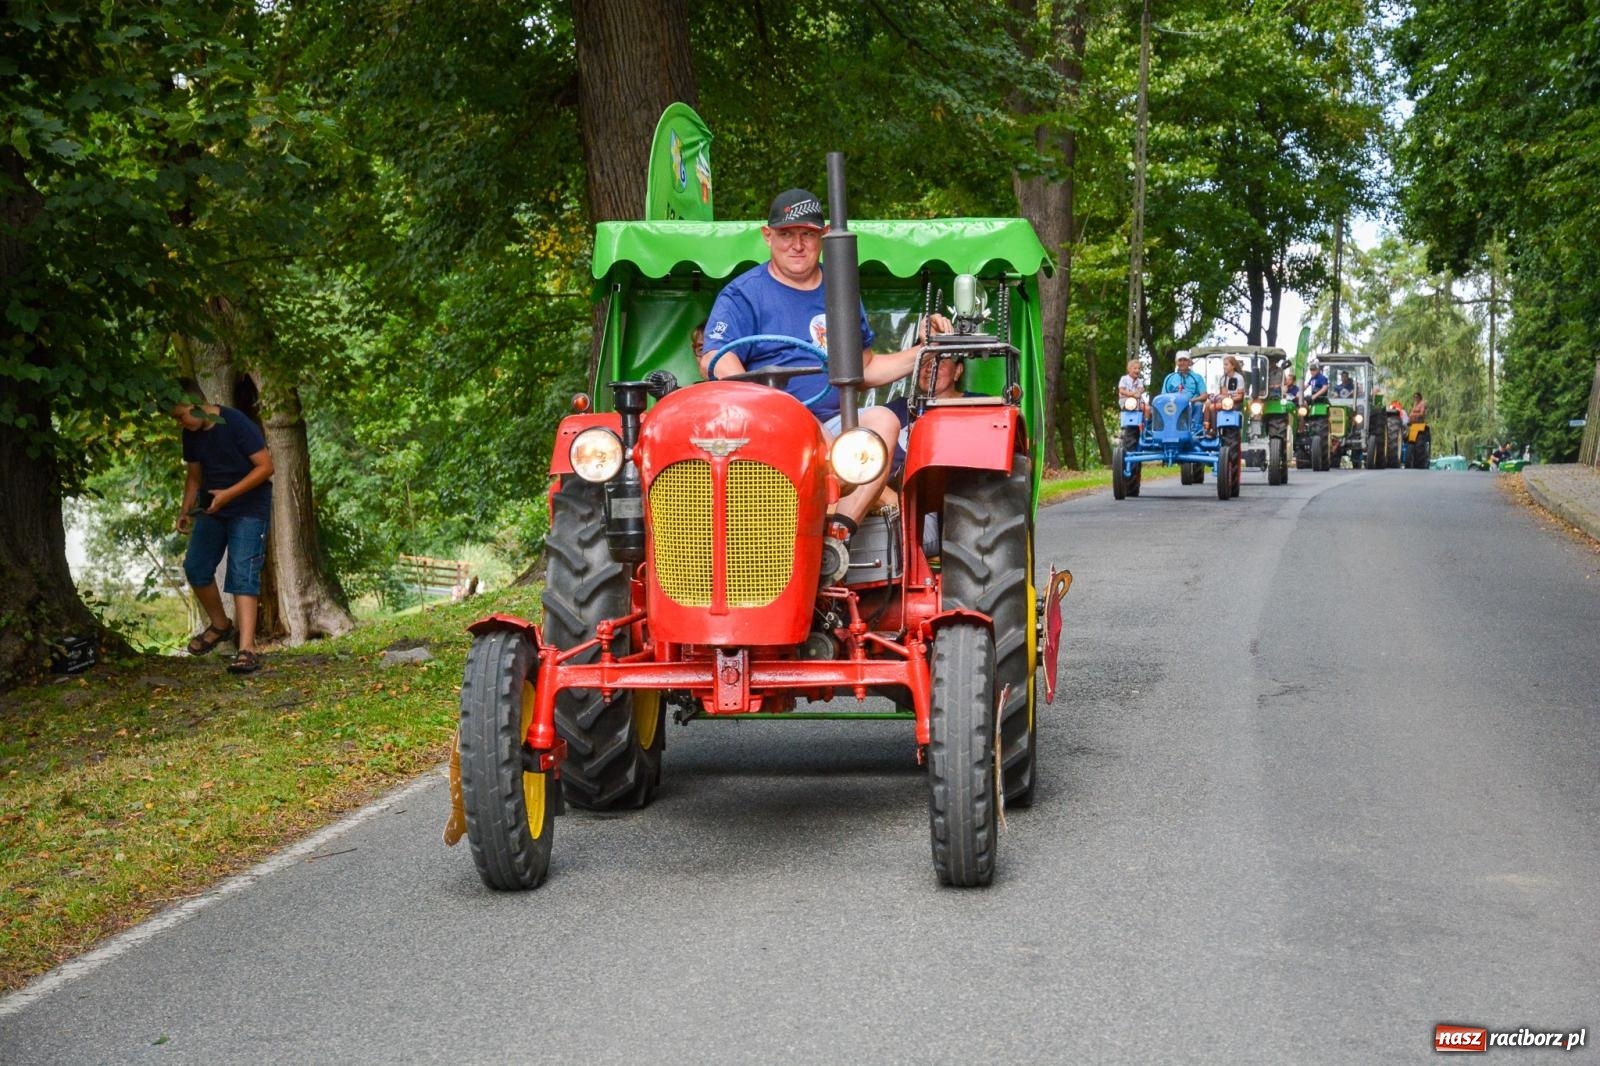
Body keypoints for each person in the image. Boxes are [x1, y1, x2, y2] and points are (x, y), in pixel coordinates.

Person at [702, 188, 949, 538]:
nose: (797, 245)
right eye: (786, 234)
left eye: (807, 234)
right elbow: (715, 358)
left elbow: (864, 368)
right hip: (769, 426)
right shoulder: (744, 294)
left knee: (882, 421)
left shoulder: (840, 291)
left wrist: (927, 349)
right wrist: (776, 406)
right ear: (768, 236)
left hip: (834, 424)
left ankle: (837, 536)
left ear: (826, 236)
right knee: (807, 431)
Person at [171, 379, 274, 674]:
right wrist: (186, 510)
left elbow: (266, 467)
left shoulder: (235, 422)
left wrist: (228, 494)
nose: (179, 423)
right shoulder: (191, 434)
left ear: (197, 405)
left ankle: (247, 649)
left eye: (181, 415)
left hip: (248, 508)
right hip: (212, 508)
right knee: (196, 566)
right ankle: (220, 625)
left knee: (242, 572)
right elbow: (194, 477)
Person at [1161, 352, 1208, 431]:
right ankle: (1168, 428)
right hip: (1174, 406)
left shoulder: (1197, 377)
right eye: (1180, 360)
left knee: (1198, 404)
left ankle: (1194, 430)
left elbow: (1204, 396)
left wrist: (1192, 400)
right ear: (1176, 362)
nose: (1182, 362)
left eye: (1185, 360)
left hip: (1191, 405)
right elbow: (1163, 396)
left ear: (1189, 362)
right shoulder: (1170, 378)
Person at [1205, 354, 1247, 431]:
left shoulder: (1239, 378)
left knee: (1212, 407)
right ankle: (1206, 427)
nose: (1224, 367)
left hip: (1235, 403)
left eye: (1226, 365)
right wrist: (1218, 397)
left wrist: (1229, 399)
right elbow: (1223, 394)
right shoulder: (1223, 378)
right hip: (1225, 401)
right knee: (1207, 403)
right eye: (1224, 365)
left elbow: (1240, 397)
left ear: (1233, 366)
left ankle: (1214, 429)